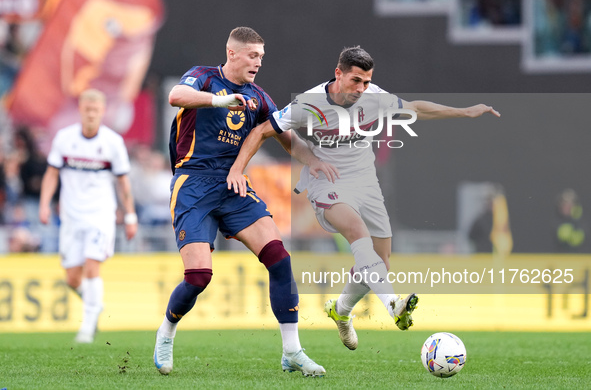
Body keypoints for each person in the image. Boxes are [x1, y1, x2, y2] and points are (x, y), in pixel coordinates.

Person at [227, 46, 501, 350]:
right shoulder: (308, 104)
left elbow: (415, 108)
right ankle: (393, 304)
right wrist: (239, 169)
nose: (361, 89)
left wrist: (464, 112)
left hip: (366, 183)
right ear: (338, 73)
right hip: (326, 184)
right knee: (358, 233)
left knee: (380, 261)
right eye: (356, 80)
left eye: (367, 82)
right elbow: (264, 130)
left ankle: (341, 311)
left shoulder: (374, 97)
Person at [154, 27, 325, 377]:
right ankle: (167, 332)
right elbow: (176, 96)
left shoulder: (260, 97)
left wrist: (318, 162)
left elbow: (287, 139)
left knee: (279, 258)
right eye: (253, 55)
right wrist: (220, 100)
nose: (258, 62)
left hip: (233, 185)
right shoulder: (203, 78)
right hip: (193, 183)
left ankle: (292, 351)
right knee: (199, 276)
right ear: (232, 53)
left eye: (261, 56)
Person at [39, 88, 137, 343]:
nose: (91, 114)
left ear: (103, 112)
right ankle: (94, 304)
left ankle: (88, 326)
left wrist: (130, 216)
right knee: (72, 278)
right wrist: (44, 204)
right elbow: (52, 174)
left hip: (100, 215)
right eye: (87, 109)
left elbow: (123, 182)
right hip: (71, 216)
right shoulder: (64, 138)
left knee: (92, 266)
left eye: (96, 110)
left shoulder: (113, 142)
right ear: (80, 110)